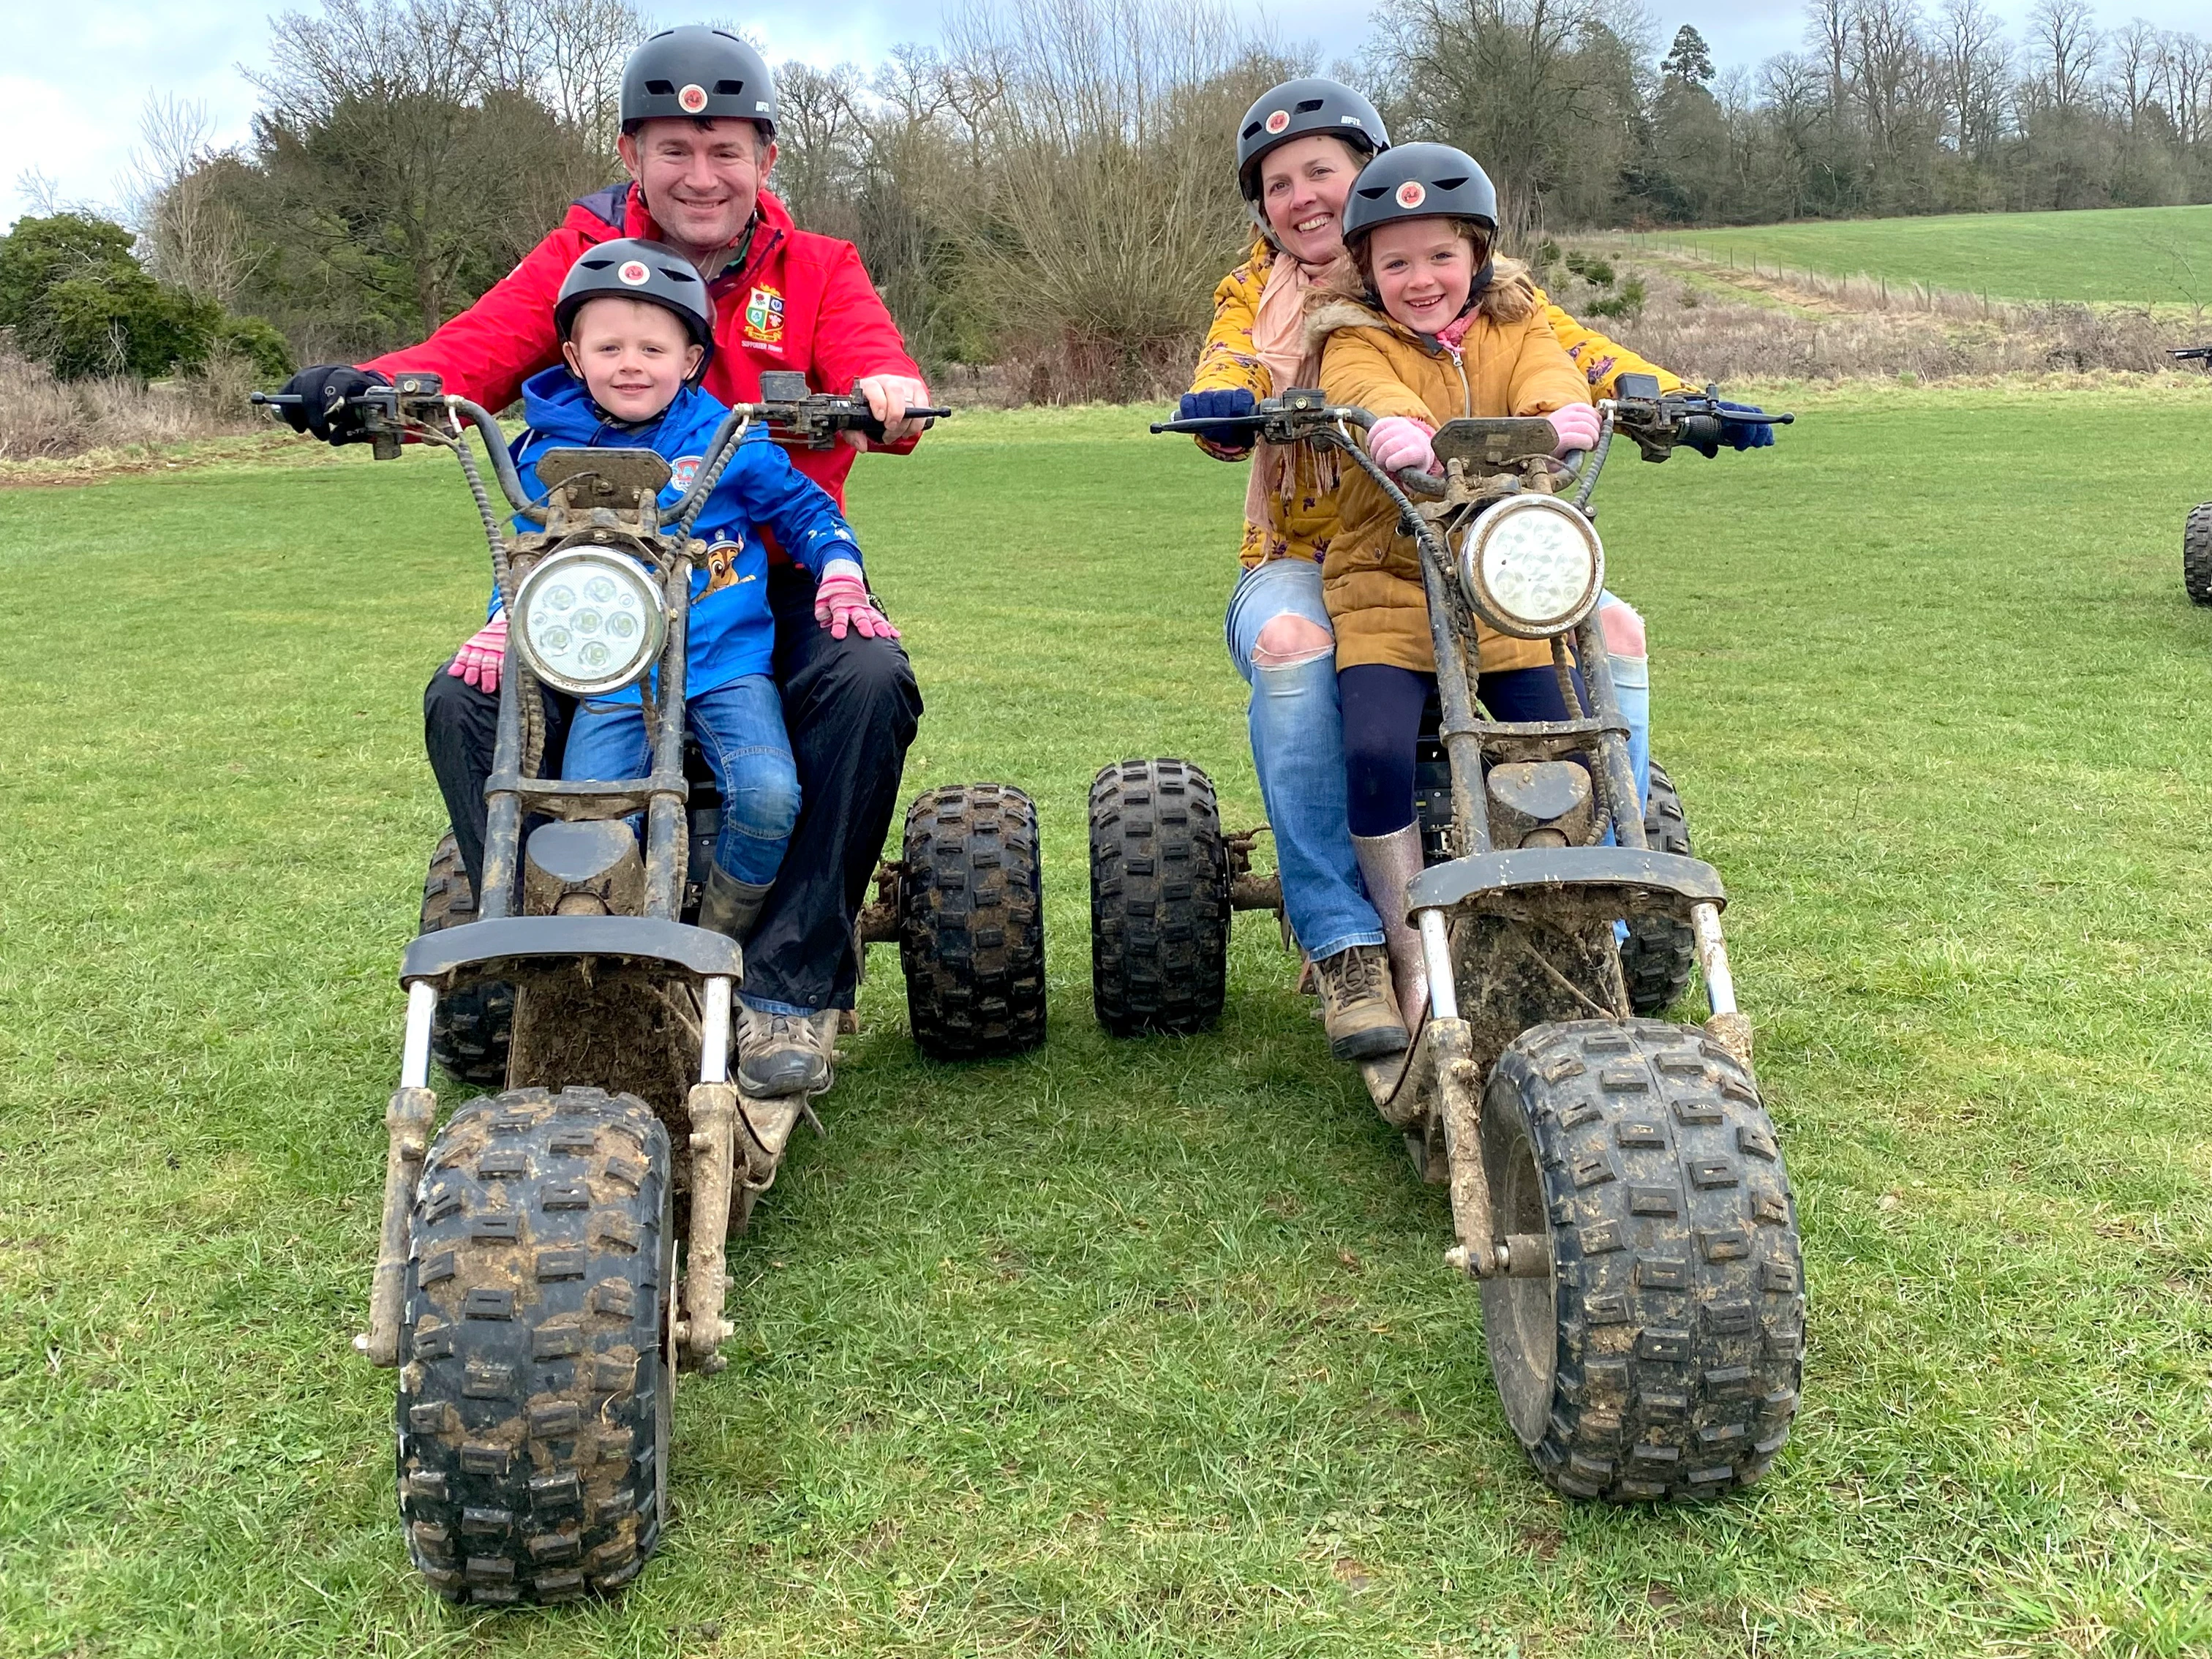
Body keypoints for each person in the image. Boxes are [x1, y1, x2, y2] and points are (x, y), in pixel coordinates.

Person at [274, 26, 925, 1091]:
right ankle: (563, 939)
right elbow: (468, 358)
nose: (701, 175)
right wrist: (367, 383)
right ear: (633, 157)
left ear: (765, 158)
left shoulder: (817, 267)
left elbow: (874, 363)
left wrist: (888, 391)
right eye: (675, 149)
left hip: (758, 574)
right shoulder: (579, 259)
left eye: (725, 151)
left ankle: (787, 988)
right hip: (601, 573)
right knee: (464, 700)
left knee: (867, 680)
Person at [1180, 76, 1771, 1061]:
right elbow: (1230, 360)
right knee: (1294, 644)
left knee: (1612, 629)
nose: (1303, 198)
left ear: (1372, 176)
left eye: (1321, 171)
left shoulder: (1473, 280)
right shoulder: (1262, 298)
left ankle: (1599, 911)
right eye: (1279, 185)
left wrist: (1669, 395)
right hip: (1320, 555)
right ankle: (1348, 945)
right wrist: (1220, 401)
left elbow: (1569, 353)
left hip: (1476, 542)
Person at [509, 241, 892, 1088]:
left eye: (653, 348)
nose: (631, 365)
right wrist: (497, 624)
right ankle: (606, 986)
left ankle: (719, 945)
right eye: (608, 348)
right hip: (614, 681)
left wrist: (838, 566)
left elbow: (805, 507)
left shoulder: (728, 441)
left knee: (769, 795)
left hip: (725, 667)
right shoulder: (546, 453)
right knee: (589, 828)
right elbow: (530, 559)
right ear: (574, 356)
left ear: (692, 357)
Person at [1308, 142, 1596, 1031]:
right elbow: (1362, 387)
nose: (1421, 278)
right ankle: (1409, 945)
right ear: (1367, 270)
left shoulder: (1519, 323)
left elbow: (1551, 374)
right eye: (1396, 261)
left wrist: (1561, 415)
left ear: (1477, 254)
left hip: (1502, 593)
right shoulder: (1352, 334)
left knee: (1561, 742)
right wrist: (1396, 429)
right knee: (1376, 751)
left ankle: (1549, 933)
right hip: (1389, 587)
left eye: (1440, 255)